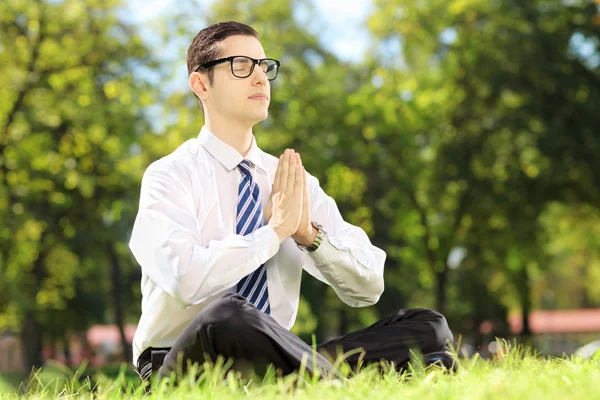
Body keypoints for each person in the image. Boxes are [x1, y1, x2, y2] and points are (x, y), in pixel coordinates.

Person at [129, 20, 456, 382]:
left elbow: (369, 286)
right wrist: (273, 232)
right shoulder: (169, 176)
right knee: (227, 316)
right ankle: (335, 383)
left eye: (263, 66)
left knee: (428, 326)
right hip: (187, 362)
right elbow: (184, 280)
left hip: (276, 354)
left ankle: (308, 381)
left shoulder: (290, 178)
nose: (259, 78)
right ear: (200, 83)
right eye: (241, 66)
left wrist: (308, 236)